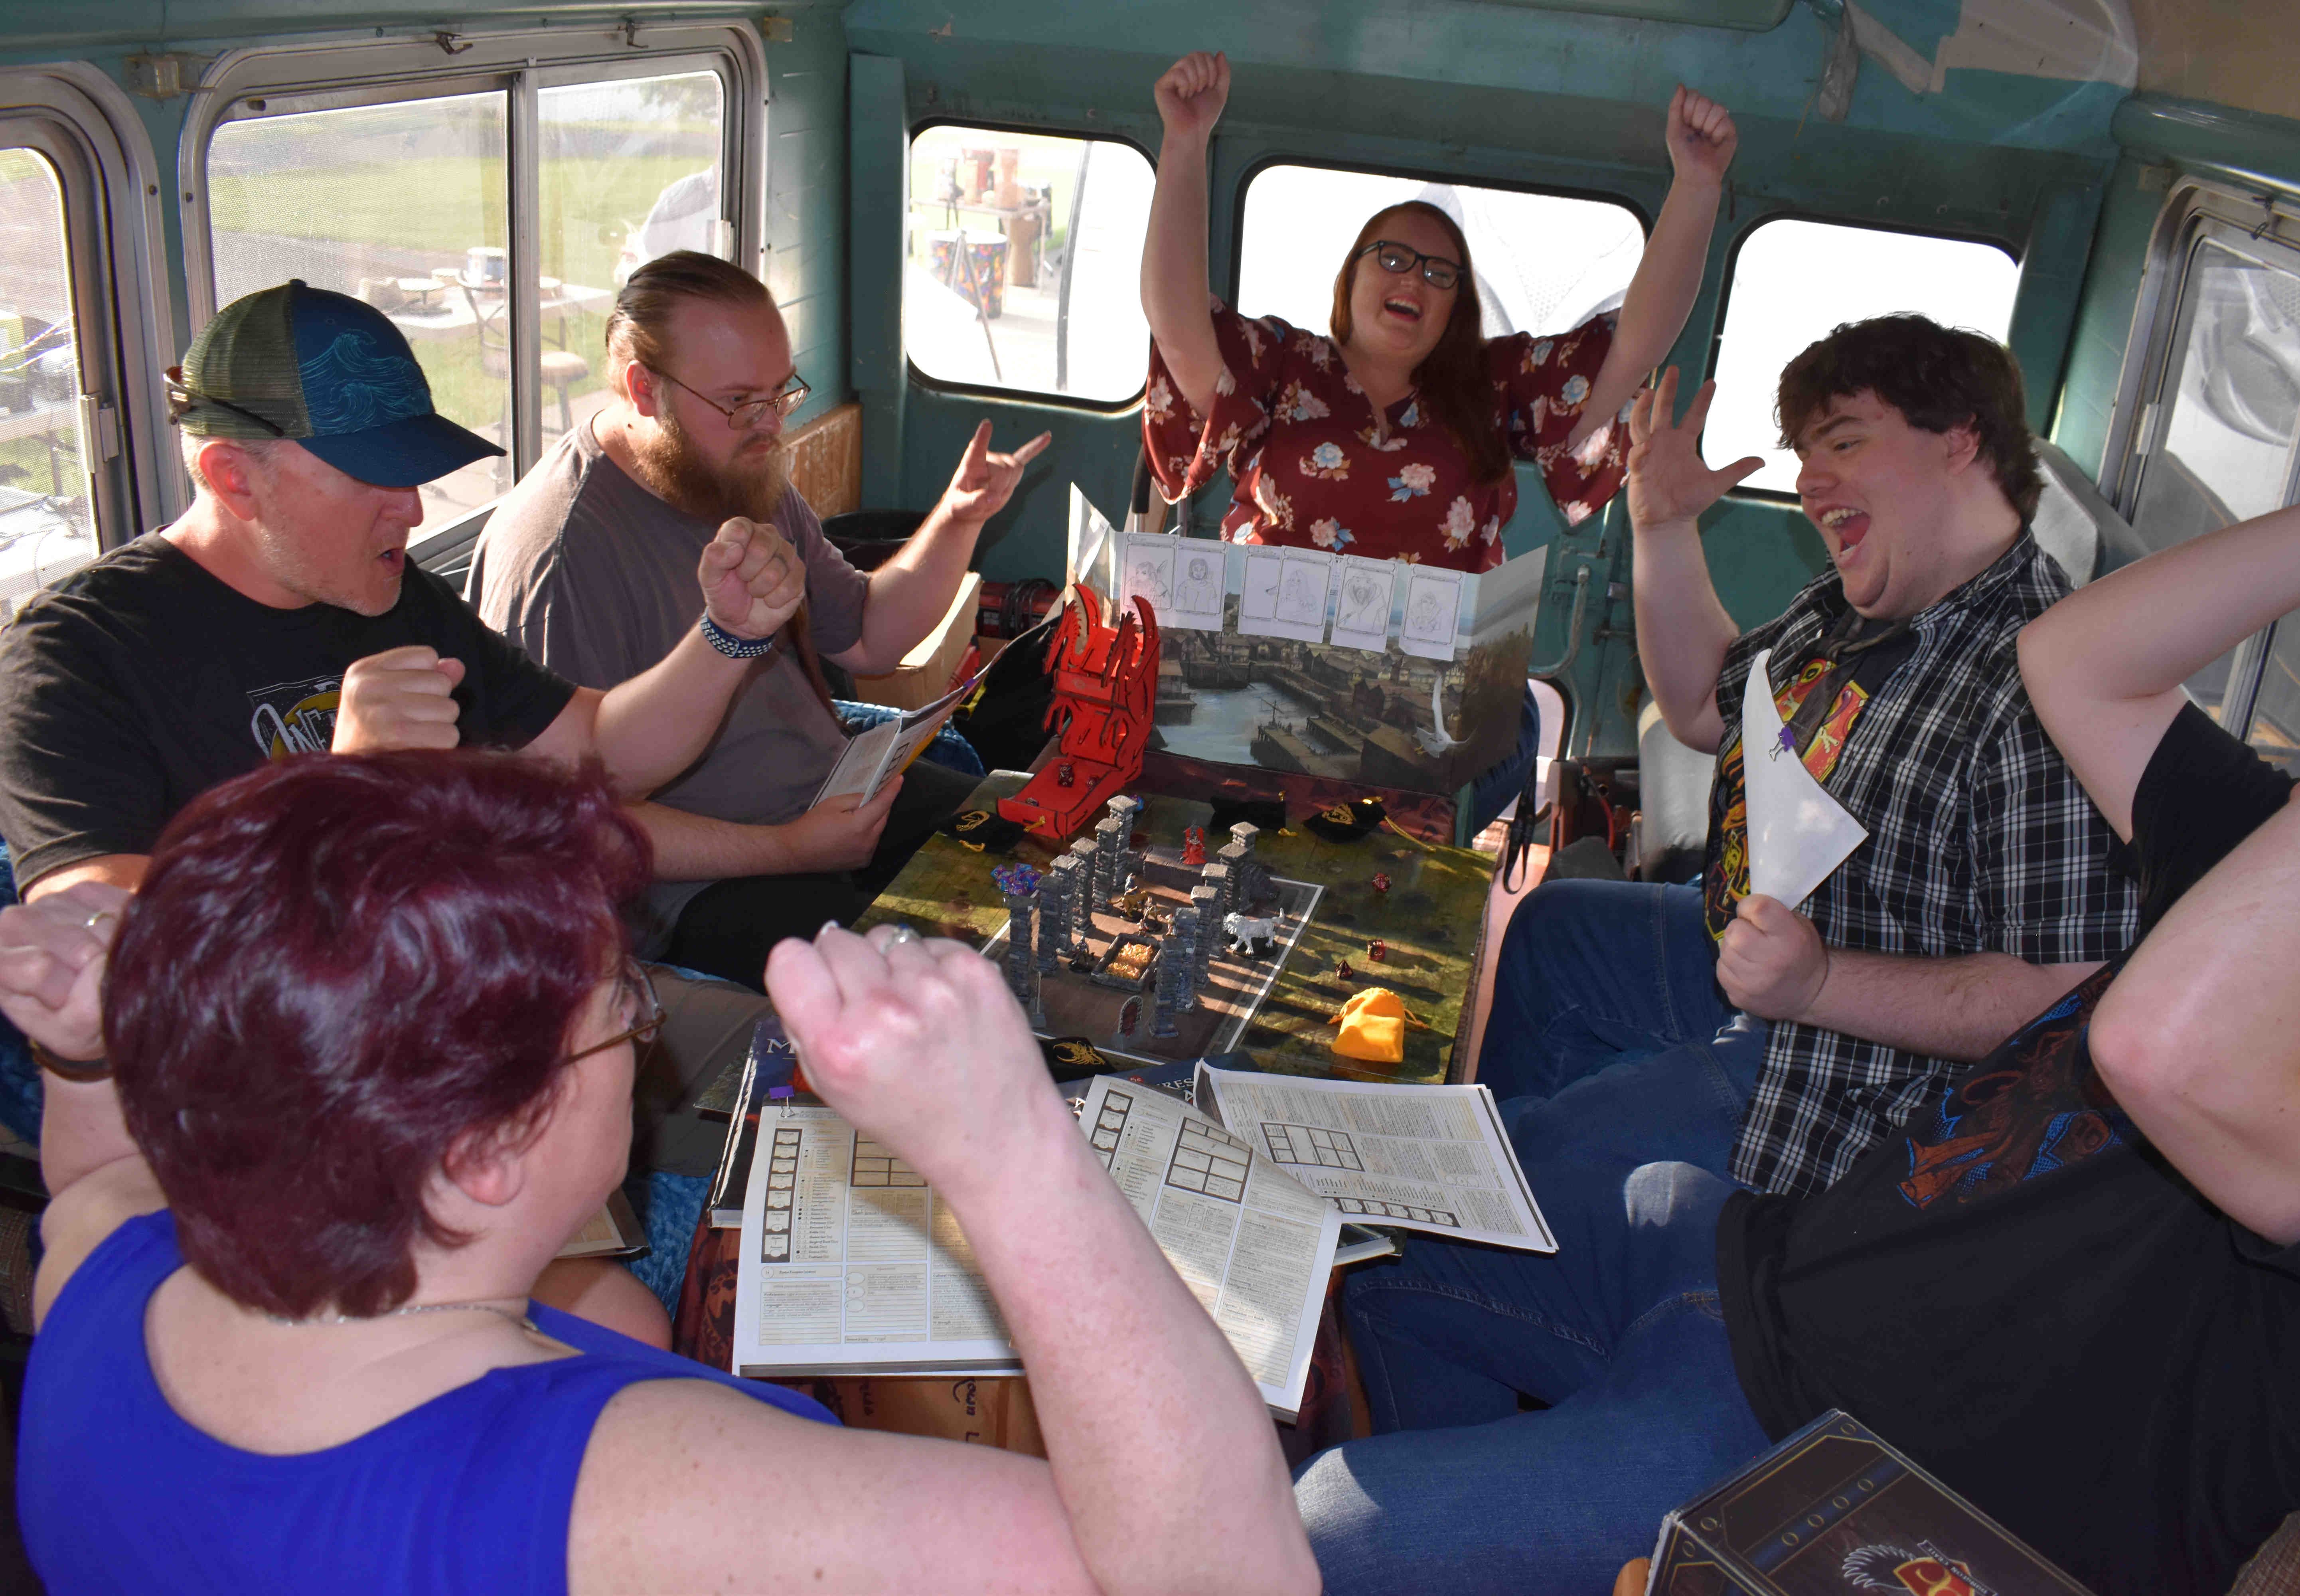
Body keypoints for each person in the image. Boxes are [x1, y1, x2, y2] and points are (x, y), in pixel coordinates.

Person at [1293, 452, 2300, 1596]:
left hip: (1838, 1459)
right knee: (1364, 1228)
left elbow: (2171, 1054)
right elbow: (2078, 659)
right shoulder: (2267, 898)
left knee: (1325, 1533)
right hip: (1749, 1256)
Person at [13, 750, 1319, 1596]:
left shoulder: (95, 1272)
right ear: (476, 1158)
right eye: (618, 1012)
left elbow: (95, 1179)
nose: (640, 1027)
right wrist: (1013, 1151)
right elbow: (1232, 1577)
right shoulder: (641, 1502)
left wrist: (82, 1062)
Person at [0, 280, 805, 1333]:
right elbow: (97, 936)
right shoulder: (79, 652)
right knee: (658, 1296)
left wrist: (728, 636)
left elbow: (599, 755)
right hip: (311, 1104)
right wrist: (334, 794)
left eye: (415, 473)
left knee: (799, 1079)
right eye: (373, 480)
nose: (414, 512)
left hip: (484, 1007)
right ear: (230, 474)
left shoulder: (387, 594)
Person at [1476, 317, 2138, 1199]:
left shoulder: (2045, 681)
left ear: (1960, 441)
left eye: (1846, 442)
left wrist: (1822, 983)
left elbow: (2065, 995)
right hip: (1766, 954)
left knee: (1520, 1162)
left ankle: (1550, 1211)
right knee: (1556, 935)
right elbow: (1707, 706)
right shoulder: (1869, 595)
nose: (1809, 479)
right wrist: (1662, 526)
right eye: (1805, 451)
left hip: (1854, 1068)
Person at [472, 251, 1051, 990]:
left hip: (824, 805)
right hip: (693, 888)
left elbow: (870, 635)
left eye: (781, 395)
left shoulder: (731, 470)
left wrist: (959, 520)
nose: (771, 426)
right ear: (642, 389)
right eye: (742, 401)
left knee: (1031, 842)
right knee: (914, 993)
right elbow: (571, 830)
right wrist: (789, 849)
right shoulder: (561, 556)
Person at [1139, 51, 1737, 572]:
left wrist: (1697, 186)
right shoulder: (1282, 362)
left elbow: (1633, 346)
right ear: (1351, 277)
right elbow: (1178, 325)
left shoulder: (1490, 383)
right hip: (1258, 668)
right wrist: (1184, 141)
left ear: (1457, 307)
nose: (1414, 280)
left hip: (1428, 692)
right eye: (1393, 258)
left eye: (1438, 273)